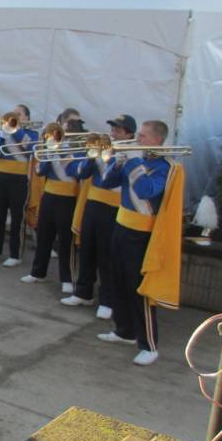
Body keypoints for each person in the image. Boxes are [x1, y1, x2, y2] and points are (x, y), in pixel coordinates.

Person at [96, 120, 184, 366]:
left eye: (143, 136)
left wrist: (133, 161)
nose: (138, 139)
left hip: (142, 234)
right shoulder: (135, 158)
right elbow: (105, 182)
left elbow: (145, 191)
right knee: (118, 281)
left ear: (157, 140)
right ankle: (124, 331)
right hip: (121, 226)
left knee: (138, 289)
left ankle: (149, 345)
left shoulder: (165, 167)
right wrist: (119, 162)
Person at [63, 115, 136, 318]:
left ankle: (107, 299)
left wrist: (110, 157)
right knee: (87, 249)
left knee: (106, 256)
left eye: (118, 131)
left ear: (129, 134)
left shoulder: (131, 152)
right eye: (113, 129)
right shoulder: (103, 148)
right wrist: (91, 157)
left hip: (113, 207)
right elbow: (83, 174)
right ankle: (83, 292)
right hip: (93, 203)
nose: (113, 134)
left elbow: (112, 181)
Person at [21, 108, 84, 292]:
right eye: (65, 127)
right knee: (44, 236)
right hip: (49, 195)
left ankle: (67, 278)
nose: (65, 132)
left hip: (69, 197)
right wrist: (49, 153)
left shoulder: (80, 148)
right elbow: (40, 171)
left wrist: (63, 153)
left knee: (66, 241)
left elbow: (78, 173)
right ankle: (37, 272)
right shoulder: (52, 145)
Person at [0, 104, 38, 267]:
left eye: (19, 114)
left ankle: (15, 254)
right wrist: (0, 136)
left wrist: (16, 131)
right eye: (13, 114)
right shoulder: (4, 131)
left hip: (19, 179)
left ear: (26, 118)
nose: (14, 117)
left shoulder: (31, 133)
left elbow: (28, 148)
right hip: (1, 177)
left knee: (17, 219)